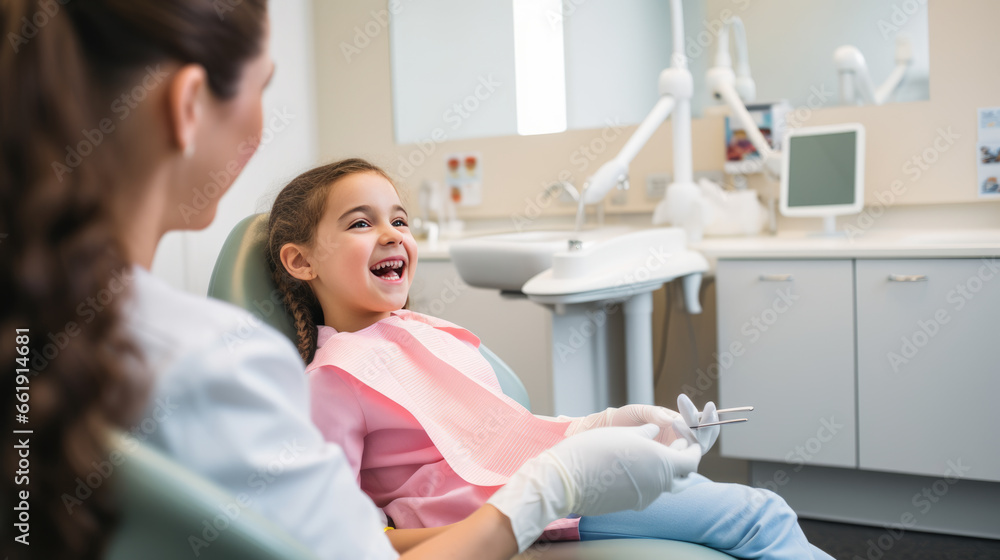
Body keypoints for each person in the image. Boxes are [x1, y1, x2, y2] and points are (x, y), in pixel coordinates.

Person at [0, 2, 704, 559]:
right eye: (262, 88)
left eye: (398, 220)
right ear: (187, 107)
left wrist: (585, 434)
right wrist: (550, 490)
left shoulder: (38, 343)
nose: (260, 125)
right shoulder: (228, 366)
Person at [268, 158, 836, 560]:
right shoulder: (333, 380)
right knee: (761, 516)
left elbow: (508, 435)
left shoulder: (428, 333)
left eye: (399, 220)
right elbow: (348, 540)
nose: (392, 234)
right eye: (361, 222)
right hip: (529, 509)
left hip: (553, 487)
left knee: (758, 515)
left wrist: (614, 423)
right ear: (301, 261)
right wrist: (508, 522)